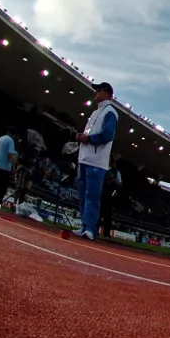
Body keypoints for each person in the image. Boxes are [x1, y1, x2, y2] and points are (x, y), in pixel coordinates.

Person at [73, 82, 119, 240]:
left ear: (108, 94)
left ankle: (90, 229)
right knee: (82, 196)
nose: (97, 92)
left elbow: (107, 135)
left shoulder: (110, 112)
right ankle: (85, 226)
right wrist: (82, 137)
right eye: (97, 90)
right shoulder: (95, 113)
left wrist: (89, 139)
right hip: (84, 158)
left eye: (100, 90)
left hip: (96, 161)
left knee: (91, 196)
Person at [0, 126, 19, 213]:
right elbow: (10, 155)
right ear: (13, 134)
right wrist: (14, 165)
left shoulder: (1, 138)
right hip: (4, 168)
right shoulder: (10, 141)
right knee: (2, 189)